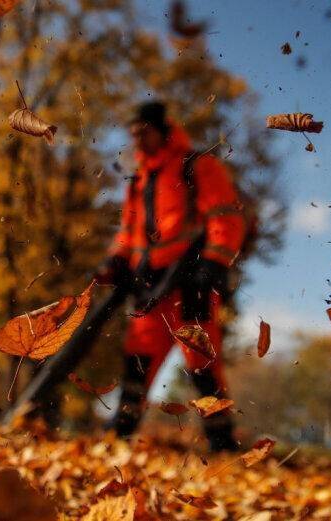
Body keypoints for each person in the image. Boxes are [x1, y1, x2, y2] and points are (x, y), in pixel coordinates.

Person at [96, 101, 245, 451]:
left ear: (163, 130)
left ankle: (222, 443)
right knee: (137, 359)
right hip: (149, 284)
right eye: (133, 134)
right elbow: (128, 232)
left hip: (192, 279)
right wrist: (115, 261)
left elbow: (225, 215)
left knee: (201, 363)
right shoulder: (138, 182)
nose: (138, 141)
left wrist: (214, 262)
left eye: (143, 132)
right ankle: (119, 436)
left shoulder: (196, 166)